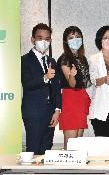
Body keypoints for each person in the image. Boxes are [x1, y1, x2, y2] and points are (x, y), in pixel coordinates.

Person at [21, 23, 61, 155]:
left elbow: (56, 88)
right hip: (33, 111)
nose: (44, 42)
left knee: (46, 150)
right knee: (33, 149)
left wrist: (57, 110)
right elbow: (27, 84)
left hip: (50, 112)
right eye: (40, 38)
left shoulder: (52, 61)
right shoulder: (24, 60)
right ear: (33, 40)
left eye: (47, 39)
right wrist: (45, 77)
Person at [57, 26, 91, 149]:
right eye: (71, 38)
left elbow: (86, 82)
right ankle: (67, 167)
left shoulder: (83, 59)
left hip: (81, 97)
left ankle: (77, 167)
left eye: (77, 37)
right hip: (70, 98)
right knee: (71, 143)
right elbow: (72, 84)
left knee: (78, 142)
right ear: (66, 41)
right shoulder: (65, 59)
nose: (75, 39)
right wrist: (72, 75)